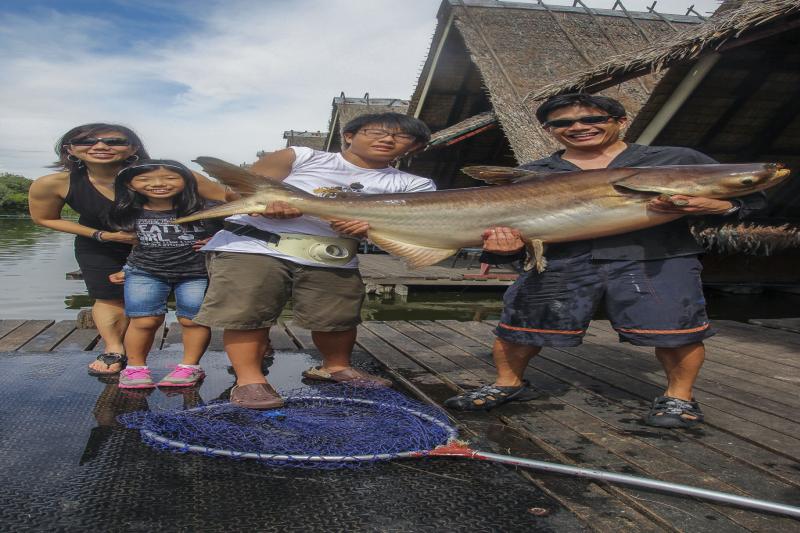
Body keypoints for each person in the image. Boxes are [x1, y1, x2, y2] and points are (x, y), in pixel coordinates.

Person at [444, 93, 766, 428]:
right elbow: (505, 243)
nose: (579, 127)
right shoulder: (534, 173)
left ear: (621, 121)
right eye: (563, 123)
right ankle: (507, 383)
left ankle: (679, 397)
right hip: (560, 261)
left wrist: (716, 206)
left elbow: (754, 201)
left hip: (655, 258)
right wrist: (504, 247)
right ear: (548, 130)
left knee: (677, 330)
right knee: (519, 327)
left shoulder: (674, 160)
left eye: (593, 119)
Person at [194, 112, 434, 409]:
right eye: (376, 132)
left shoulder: (415, 185)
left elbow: (410, 229)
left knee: (337, 316)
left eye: (401, 136)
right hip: (256, 245)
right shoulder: (301, 156)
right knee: (247, 312)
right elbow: (238, 194)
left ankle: (335, 367)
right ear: (349, 136)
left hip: (333, 253)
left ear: (414, 146)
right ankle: (249, 380)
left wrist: (371, 228)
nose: (387, 139)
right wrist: (268, 205)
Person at [28, 124, 232, 376]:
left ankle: (194, 363)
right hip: (101, 242)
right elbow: (45, 218)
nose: (100, 146)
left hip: (178, 244)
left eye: (114, 141)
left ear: (134, 148)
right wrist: (102, 235)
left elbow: (228, 203)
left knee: (190, 308)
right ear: (69, 149)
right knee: (108, 295)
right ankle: (115, 349)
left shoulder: (172, 175)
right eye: (87, 141)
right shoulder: (54, 183)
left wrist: (218, 236)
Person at [106, 160, 217, 389]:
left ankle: (190, 367)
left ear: (187, 180)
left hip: (195, 273)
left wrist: (217, 239)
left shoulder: (207, 209)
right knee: (144, 320)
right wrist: (126, 269)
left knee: (192, 320)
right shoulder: (128, 210)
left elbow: (240, 227)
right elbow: (135, 244)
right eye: (145, 179)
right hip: (145, 271)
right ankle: (135, 368)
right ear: (130, 184)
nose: (158, 184)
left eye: (170, 178)